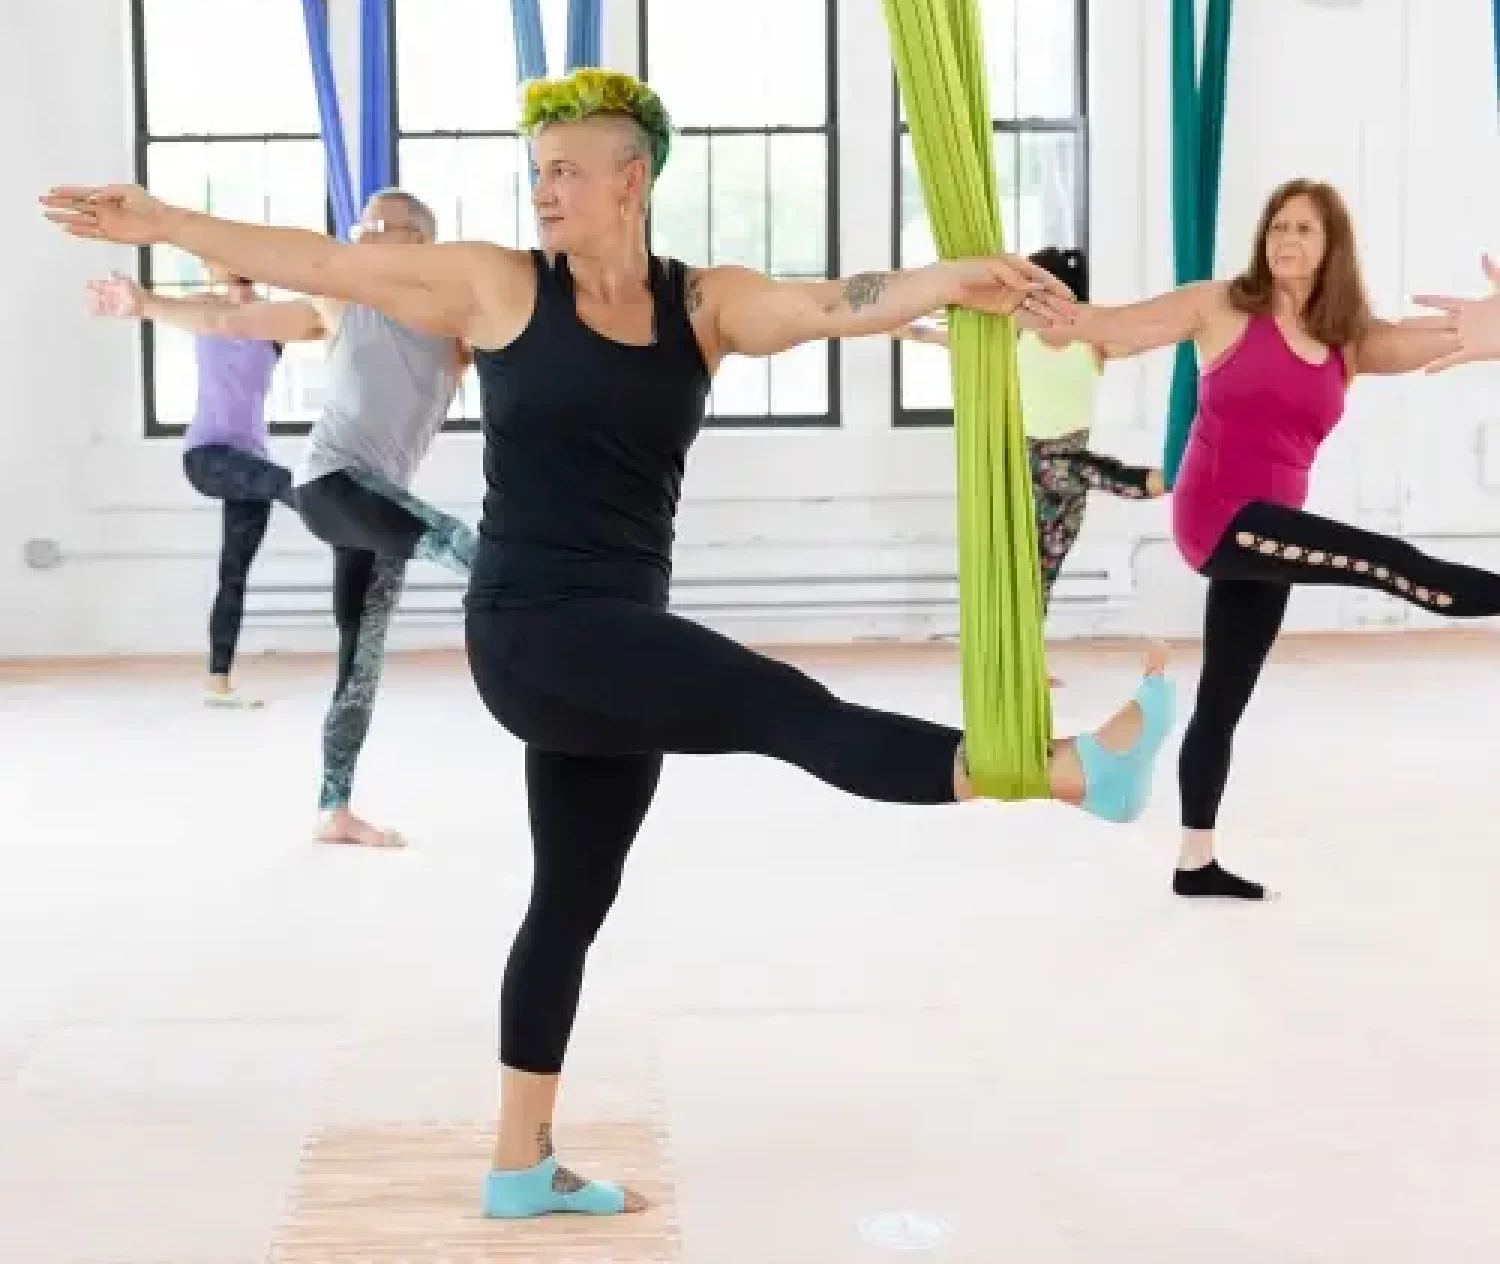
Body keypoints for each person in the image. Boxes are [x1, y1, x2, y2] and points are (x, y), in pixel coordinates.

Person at [42, 66, 1178, 1218]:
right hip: (534, 632)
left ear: (631, 181)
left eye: (569, 172)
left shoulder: (705, 304)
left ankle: (520, 1166)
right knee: (791, 710)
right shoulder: (496, 287)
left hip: (614, 642)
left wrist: (961, 278)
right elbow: (330, 265)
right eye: (538, 173)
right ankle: (1067, 771)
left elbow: (845, 300)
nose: (545, 192)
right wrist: (168, 224)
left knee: (570, 901)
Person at [1053, 177, 1500, 902]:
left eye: (1304, 230)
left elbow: (1442, 337)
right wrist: (1049, 316)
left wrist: (1488, 327)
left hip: (1270, 536)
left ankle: (1194, 863)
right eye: (1278, 226)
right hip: (1222, 518)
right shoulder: (1221, 305)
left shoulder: (1346, 342)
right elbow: (1116, 327)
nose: (1286, 240)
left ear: (1332, 249)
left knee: (1223, 701)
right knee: (1390, 562)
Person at [84, 188, 478, 849]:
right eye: (360, 224)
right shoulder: (341, 299)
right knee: (471, 549)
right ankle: (584, 648)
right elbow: (233, 322)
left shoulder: (454, 323)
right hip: (333, 484)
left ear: (420, 239)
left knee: (361, 660)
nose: (362, 235)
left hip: (376, 510)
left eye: (378, 225)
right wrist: (146, 304)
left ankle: (335, 810)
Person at [897, 246, 1164, 621]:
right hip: (1028, 469)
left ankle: (1030, 663)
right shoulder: (1017, 339)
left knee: (1044, 573)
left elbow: (1146, 336)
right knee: (1062, 482)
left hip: (1070, 476)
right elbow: (953, 338)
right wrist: (909, 329)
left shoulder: (1095, 344)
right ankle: (1155, 481)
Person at [87, 266, 296, 708]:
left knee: (233, 574)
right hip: (208, 455)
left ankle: (217, 684)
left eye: (244, 277)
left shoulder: (274, 325)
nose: (236, 284)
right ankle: (356, 520)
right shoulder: (205, 311)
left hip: (251, 464)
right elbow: (169, 305)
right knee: (291, 486)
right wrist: (135, 296)